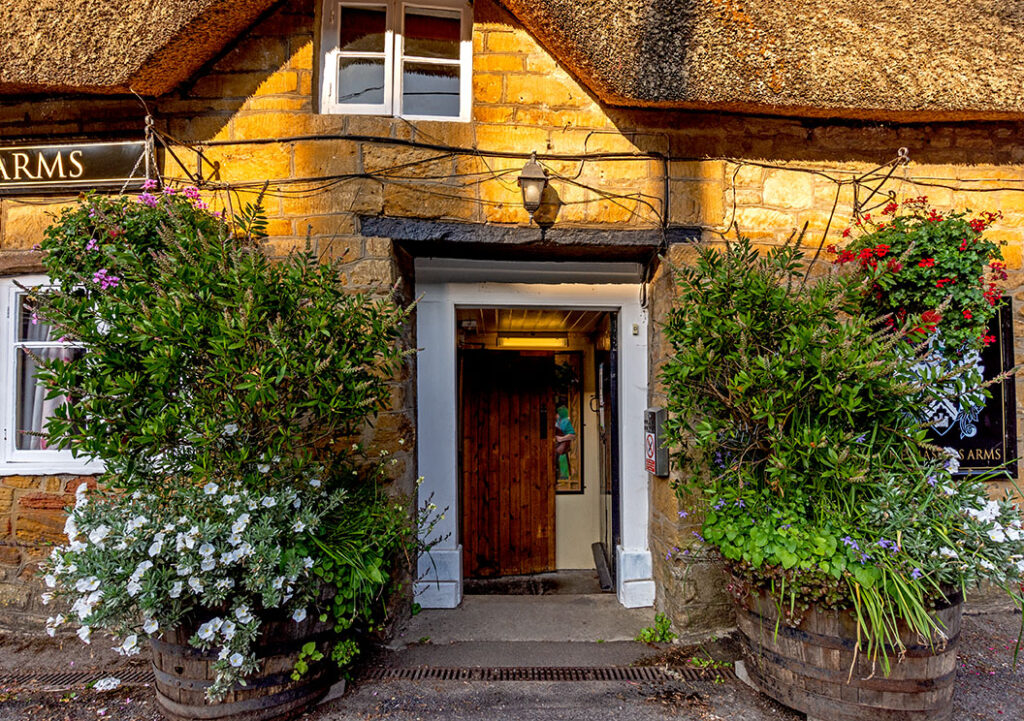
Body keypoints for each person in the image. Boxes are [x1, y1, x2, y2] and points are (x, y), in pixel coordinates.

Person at [554, 405, 576, 480]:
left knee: (563, 475)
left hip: (561, 451)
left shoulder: (565, 421)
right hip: (554, 450)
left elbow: (572, 435)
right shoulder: (556, 422)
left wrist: (561, 438)